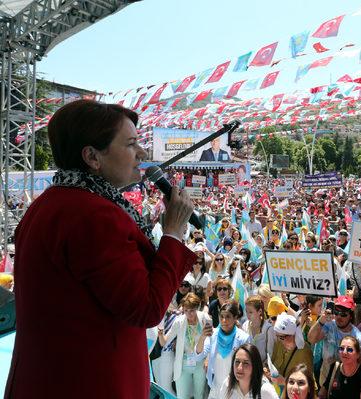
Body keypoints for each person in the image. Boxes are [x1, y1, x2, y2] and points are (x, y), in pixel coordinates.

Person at [5, 100, 197, 398]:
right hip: (90, 383)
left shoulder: (48, 204)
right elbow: (145, 308)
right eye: (131, 143)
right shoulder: (94, 216)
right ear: (92, 157)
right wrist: (172, 233)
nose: (142, 153)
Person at [158, 293, 210, 399]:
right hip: (183, 363)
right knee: (182, 396)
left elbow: (211, 340)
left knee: (199, 395)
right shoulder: (179, 321)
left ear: (197, 307)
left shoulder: (204, 318)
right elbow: (164, 342)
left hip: (200, 362)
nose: (188, 314)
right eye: (186, 310)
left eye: (191, 310)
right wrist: (160, 333)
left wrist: (208, 358)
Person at [196, 301, 252, 397]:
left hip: (234, 390)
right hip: (215, 387)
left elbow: (248, 364)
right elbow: (198, 355)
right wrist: (202, 337)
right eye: (221, 316)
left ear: (235, 318)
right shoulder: (212, 334)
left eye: (228, 317)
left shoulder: (244, 338)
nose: (224, 320)